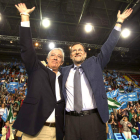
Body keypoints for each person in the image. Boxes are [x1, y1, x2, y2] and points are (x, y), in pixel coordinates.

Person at [61, 8, 133, 140]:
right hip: (70, 121)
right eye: (74, 51)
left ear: (85, 54)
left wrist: (119, 22)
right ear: (71, 55)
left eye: (80, 50)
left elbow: (108, 47)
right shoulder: (64, 71)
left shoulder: (95, 63)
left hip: (93, 119)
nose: (77, 52)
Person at [13, 3, 65, 140]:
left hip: (58, 132)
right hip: (35, 131)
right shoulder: (36, 68)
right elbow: (27, 48)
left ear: (62, 62)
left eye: (59, 56)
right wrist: (25, 16)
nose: (55, 57)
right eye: (53, 55)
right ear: (46, 59)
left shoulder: (65, 77)